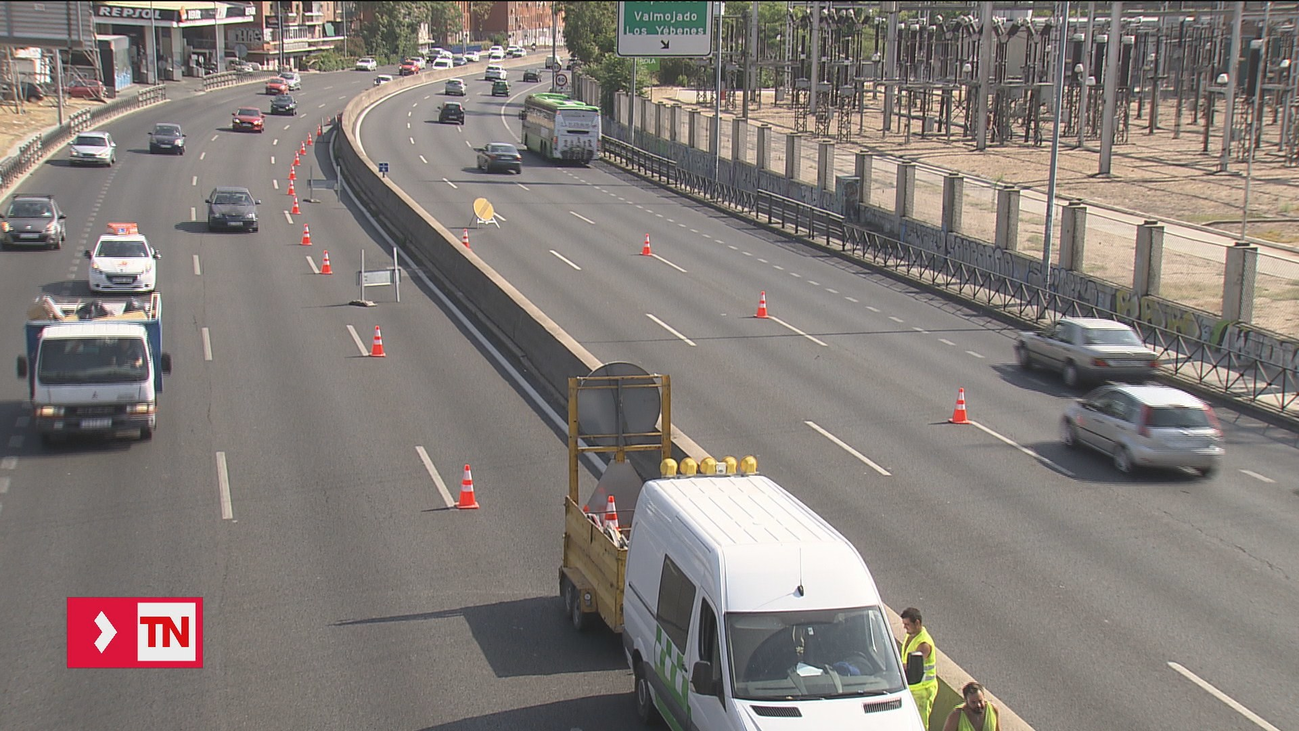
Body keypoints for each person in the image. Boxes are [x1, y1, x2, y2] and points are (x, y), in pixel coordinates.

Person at [901, 607, 938, 729]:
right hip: (913, 687)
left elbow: (912, 666)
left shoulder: (924, 644)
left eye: (907, 624)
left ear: (917, 623)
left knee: (920, 723)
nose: (904, 627)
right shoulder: (911, 635)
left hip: (923, 691)